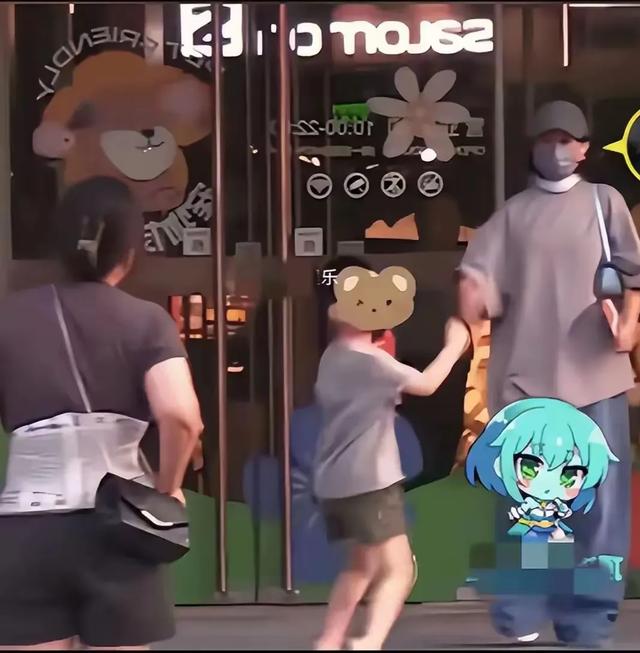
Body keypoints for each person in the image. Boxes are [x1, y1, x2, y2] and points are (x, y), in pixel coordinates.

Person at [458, 100, 640, 647]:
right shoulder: (511, 216)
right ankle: (522, 609)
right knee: (525, 504)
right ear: (533, 146)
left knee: (599, 507)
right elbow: (475, 283)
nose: (557, 150)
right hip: (527, 382)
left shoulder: (605, 203)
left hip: (597, 378)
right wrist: (472, 295)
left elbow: (634, 275)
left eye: (567, 140)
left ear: (585, 148)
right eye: (547, 139)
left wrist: (629, 328)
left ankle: (588, 619)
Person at [0, 177, 203, 650]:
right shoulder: (147, 321)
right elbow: (181, 416)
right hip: (121, 528)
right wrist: (168, 489)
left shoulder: (9, 318)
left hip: (26, 528)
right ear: (129, 251)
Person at [312, 289, 471, 650]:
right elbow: (426, 385)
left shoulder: (332, 357)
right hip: (371, 482)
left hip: (334, 483)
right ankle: (368, 642)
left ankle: (330, 640)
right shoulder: (375, 364)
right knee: (399, 571)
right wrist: (454, 345)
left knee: (360, 567)